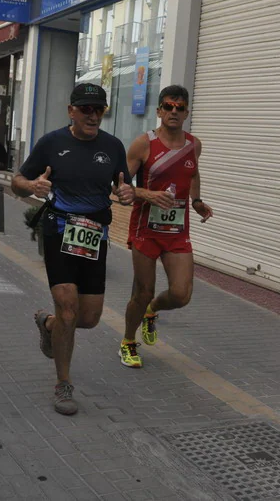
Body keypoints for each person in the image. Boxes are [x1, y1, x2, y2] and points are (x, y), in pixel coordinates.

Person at [11, 83, 134, 415]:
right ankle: (63, 384)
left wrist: (127, 194)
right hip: (59, 230)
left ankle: (49, 325)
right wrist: (32, 185)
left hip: (95, 235)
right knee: (68, 308)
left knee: (89, 318)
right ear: (72, 111)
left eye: (99, 109)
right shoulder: (52, 143)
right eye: (86, 109)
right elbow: (16, 180)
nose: (93, 115)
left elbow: (124, 186)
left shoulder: (112, 146)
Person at [119, 85, 214, 368]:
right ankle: (127, 342)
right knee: (142, 290)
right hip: (145, 230)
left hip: (177, 233)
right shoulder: (143, 144)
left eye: (180, 107)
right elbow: (119, 185)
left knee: (181, 294)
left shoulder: (193, 144)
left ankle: (152, 311)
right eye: (168, 106)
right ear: (159, 110)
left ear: (186, 113)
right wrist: (147, 194)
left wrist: (196, 200)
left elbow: (193, 172)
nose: (174, 111)